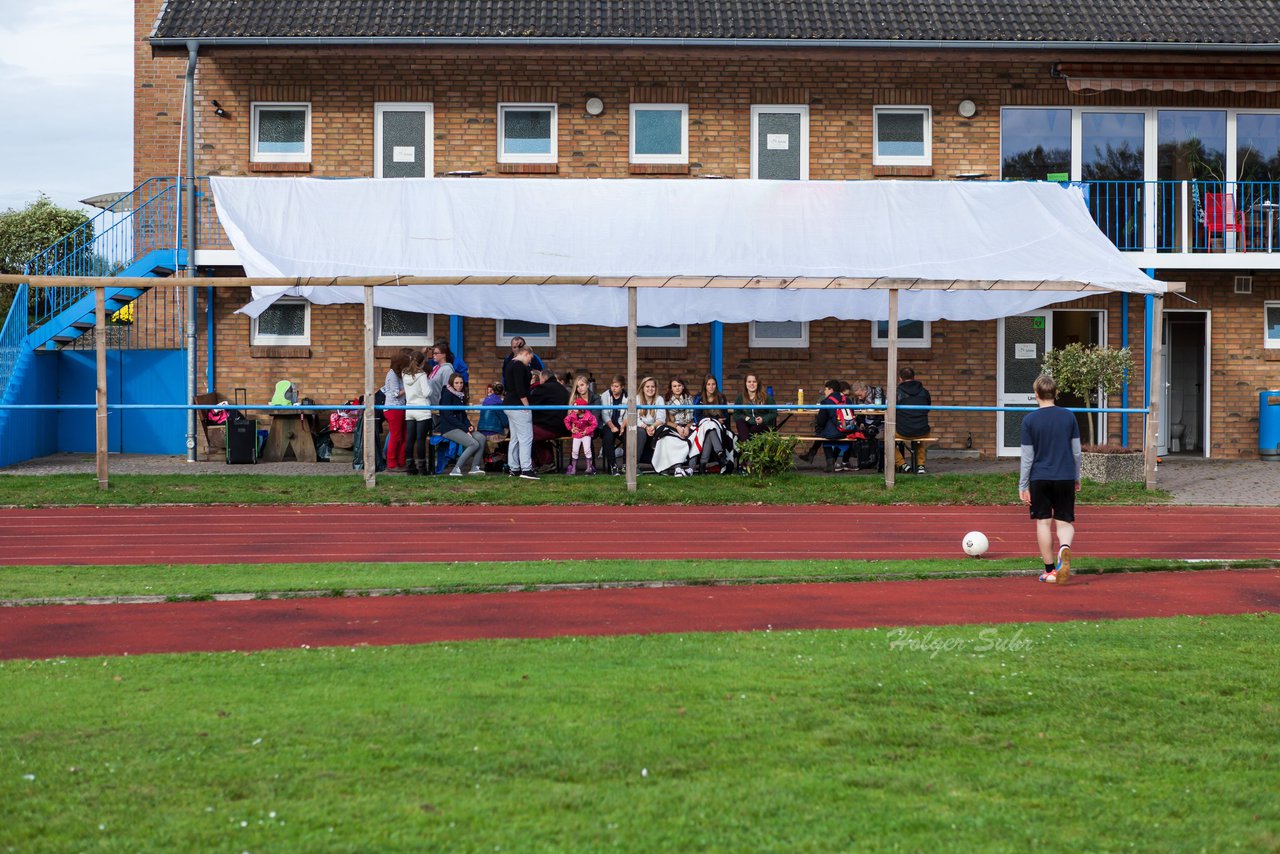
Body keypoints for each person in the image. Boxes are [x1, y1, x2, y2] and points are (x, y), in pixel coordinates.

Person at [1019, 374, 1081, 584]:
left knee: (1043, 523)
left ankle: (1049, 571)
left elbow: (1027, 457)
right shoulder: (1069, 417)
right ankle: (1064, 548)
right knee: (1064, 522)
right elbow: (1077, 452)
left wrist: (1023, 484)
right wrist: (1076, 476)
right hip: (1064, 476)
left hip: (1040, 477)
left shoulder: (1029, 420)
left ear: (1036, 394)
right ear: (1056, 393)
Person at [436, 373, 486, 476]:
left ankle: (475, 468)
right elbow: (448, 416)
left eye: (461, 383)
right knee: (474, 444)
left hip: (461, 427)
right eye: (457, 383)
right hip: (449, 428)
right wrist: (465, 429)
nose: (459, 385)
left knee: (481, 438)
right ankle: (456, 469)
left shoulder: (460, 395)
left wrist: (469, 425)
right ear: (451, 383)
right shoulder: (447, 394)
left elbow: (462, 414)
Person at [503, 346, 537, 480]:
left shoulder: (509, 364)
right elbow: (519, 388)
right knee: (526, 438)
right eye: (530, 358)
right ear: (526, 353)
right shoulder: (519, 365)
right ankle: (526, 469)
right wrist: (527, 406)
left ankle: (514, 468)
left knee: (515, 438)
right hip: (518, 405)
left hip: (508, 405)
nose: (530, 362)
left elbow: (512, 385)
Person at [529, 369, 570, 470]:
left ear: (543, 378)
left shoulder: (543, 388)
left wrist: (531, 385)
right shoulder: (562, 389)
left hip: (549, 427)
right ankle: (547, 462)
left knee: (526, 433)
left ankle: (532, 464)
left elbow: (530, 404)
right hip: (563, 427)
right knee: (538, 437)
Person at [895, 366, 932, 474]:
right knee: (920, 438)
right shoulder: (924, 392)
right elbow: (927, 408)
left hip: (903, 431)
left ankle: (903, 465)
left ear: (900, 379)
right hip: (922, 430)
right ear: (914, 377)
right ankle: (920, 466)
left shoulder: (897, 392)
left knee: (885, 440)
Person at [812, 379, 855, 473]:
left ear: (831, 390)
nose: (824, 391)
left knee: (821, 433)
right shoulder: (847, 399)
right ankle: (834, 461)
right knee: (830, 431)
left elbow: (820, 421)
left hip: (836, 433)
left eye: (826, 389)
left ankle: (830, 463)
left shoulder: (826, 401)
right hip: (849, 431)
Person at [693, 374, 732, 474]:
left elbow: (725, 415)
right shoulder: (699, 397)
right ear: (704, 386)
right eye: (708, 384)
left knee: (711, 427)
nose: (711, 387)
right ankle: (721, 456)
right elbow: (697, 416)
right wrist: (713, 419)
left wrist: (716, 420)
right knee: (709, 425)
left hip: (718, 427)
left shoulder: (721, 397)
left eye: (713, 384)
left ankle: (702, 465)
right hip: (702, 425)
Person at [402, 351, 434, 476]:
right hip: (422, 409)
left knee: (410, 439)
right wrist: (430, 385)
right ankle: (422, 468)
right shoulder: (422, 375)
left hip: (409, 408)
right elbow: (427, 393)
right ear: (423, 362)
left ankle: (410, 467)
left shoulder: (405, 374)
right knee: (420, 440)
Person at [381, 351, 410, 471]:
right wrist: (409, 388)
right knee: (396, 436)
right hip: (393, 408)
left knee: (404, 436)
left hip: (401, 407)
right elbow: (395, 393)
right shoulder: (392, 374)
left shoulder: (399, 374)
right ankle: (392, 464)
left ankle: (402, 462)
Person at [732, 374, 776, 444]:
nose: (751, 384)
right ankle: (747, 448)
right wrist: (745, 417)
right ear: (745, 384)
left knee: (750, 431)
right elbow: (735, 415)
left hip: (762, 425)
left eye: (754, 382)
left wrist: (763, 419)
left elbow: (773, 413)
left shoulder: (766, 397)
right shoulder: (740, 397)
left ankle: (746, 449)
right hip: (747, 424)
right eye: (749, 382)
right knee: (740, 422)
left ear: (758, 383)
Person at [598, 375, 627, 475]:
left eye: (616, 386)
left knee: (629, 438)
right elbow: (604, 413)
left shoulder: (627, 396)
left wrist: (623, 427)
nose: (613, 388)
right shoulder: (605, 395)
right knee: (608, 438)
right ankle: (613, 466)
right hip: (608, 424)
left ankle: (625, 465)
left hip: (622, 424)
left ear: (622, 387)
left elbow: (628, 414)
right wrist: (612, 427)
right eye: (612, 386)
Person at [634, 376, 666, 466]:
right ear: (642, 388)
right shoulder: (637, 398)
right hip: (641, 426)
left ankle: (663, 463)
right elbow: (634, 418)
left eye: (652, 386)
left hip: (655, 425)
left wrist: (652, 426)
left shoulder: (659, 399)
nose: (650, 389)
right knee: (640, 433)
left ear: (656, 388)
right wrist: (646, 427)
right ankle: (635, 465)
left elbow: (661, 419)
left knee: (664, 430)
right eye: (647, 387)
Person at [563, 396, 599, 475]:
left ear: (582, 409)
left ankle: (589, 467)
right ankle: (573, 468)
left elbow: (594, 424)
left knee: (587, 450)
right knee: (575, 451)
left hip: (586, 435)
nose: (574, 409)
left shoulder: (588, 416)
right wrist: (571, 429)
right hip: (576, 434)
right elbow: (566, 420)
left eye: (576, 408)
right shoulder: (572, 415)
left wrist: (587, 430)